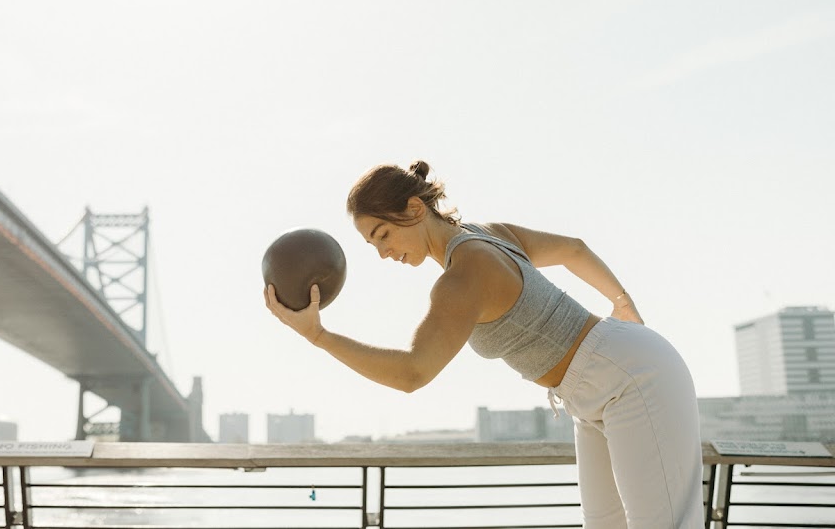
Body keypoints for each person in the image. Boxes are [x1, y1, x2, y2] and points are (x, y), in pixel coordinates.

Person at [264, 160, 704, 529]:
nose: (382, 253)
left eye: (382, 235)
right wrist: (621, 302)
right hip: (591, 390)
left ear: (415, 209)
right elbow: (574, 249)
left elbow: (412, 373)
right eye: (371, 244)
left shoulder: (465, 274)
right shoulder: (487, 235)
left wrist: (318, 336)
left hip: (631, 376)